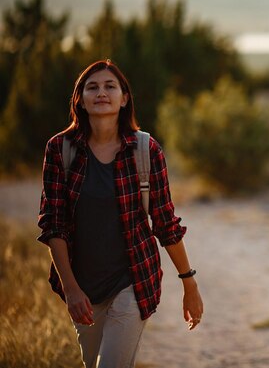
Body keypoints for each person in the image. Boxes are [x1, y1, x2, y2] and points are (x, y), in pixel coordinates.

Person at [38, 59, 203, 368]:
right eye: (92, 87)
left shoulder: (145, 150)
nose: (102, 92)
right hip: (82, 287)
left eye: (110, 86)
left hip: (133, 281)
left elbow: (165, 223)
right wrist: (72, 289)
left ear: (124, 98)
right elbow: (53, 224)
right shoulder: (60, 150)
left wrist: (188, 282)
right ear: (80, 100)